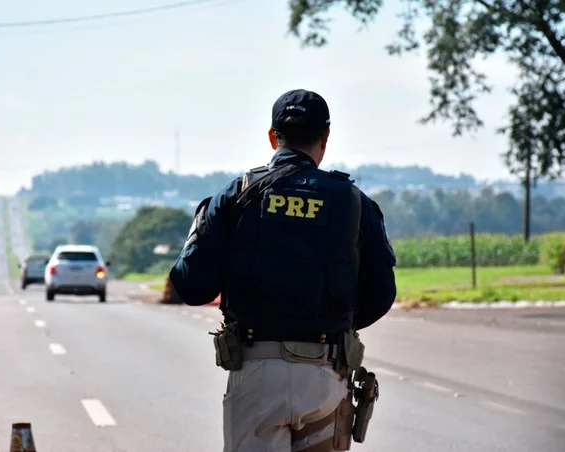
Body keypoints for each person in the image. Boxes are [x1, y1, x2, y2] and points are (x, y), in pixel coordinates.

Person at [169, 88, 397, 452]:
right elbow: (382, 294)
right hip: (327, 376)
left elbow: (191, 286)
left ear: (273, 137)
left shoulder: (235, 195)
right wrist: (333, 322)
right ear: (325, 138)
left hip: (256, 374)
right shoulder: (355, 201)